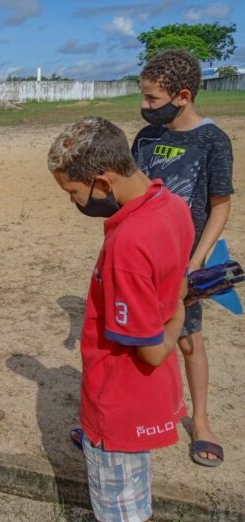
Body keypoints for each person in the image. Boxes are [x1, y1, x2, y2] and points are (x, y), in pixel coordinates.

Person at [48, 117, 193, 522]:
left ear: (103, 183)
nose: (74, 202)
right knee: (132, 489)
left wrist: (177, 314)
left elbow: (151, 353)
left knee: (119, 510)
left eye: (74, 192)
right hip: (141, 401)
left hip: (117, 403)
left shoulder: (127, 245)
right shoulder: (173, 206)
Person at [132, 49, 233, 467]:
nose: (144, 106)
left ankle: (202, 421)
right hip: (143, 259)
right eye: (143, 96)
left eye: (153, 99)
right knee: (135, 339)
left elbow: (220, 204)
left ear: (184, 95)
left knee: (189, 340)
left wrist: (198, 260)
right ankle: (131, 415)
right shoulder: (145, 138)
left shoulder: (212, 140)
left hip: (183, 263)